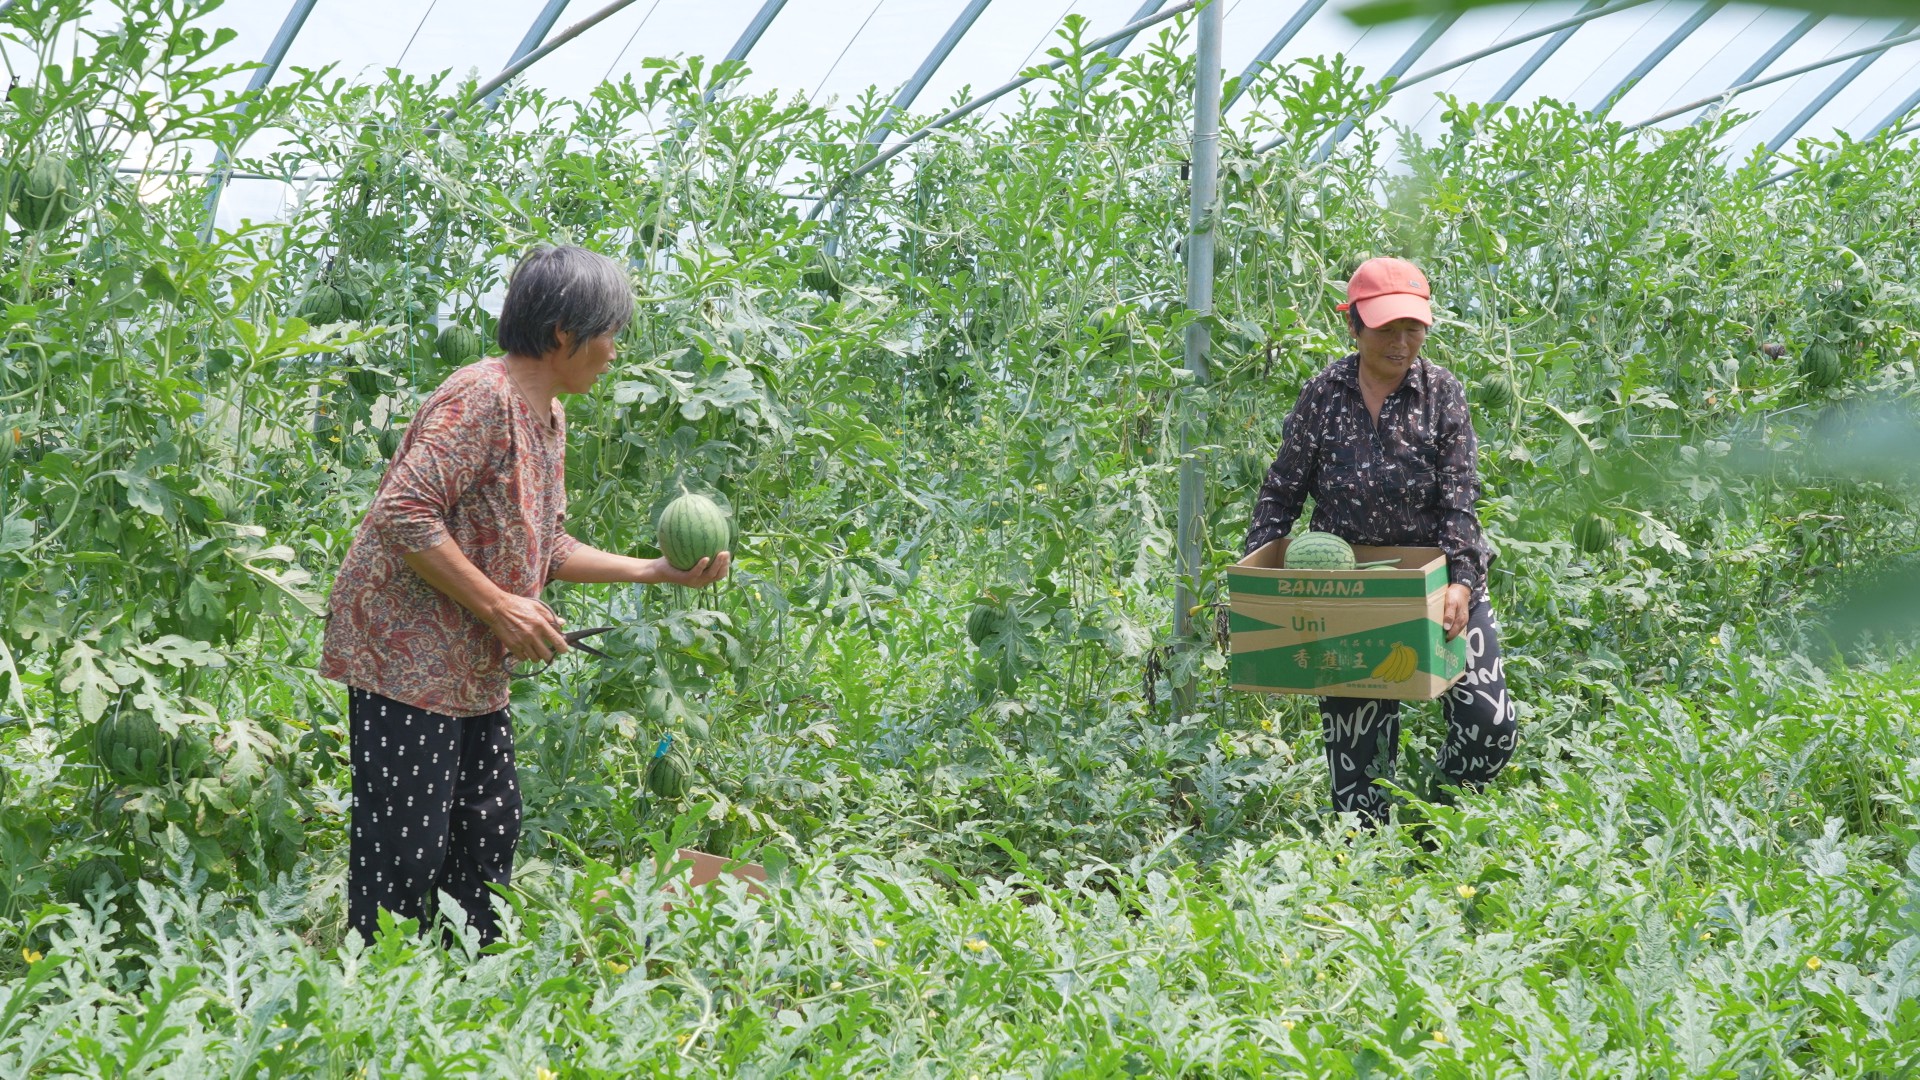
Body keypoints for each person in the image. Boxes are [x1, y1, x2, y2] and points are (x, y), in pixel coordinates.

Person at [318, 245, 730, 944]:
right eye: (609, 333)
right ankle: (373, 998)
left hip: (471, 668)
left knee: (487, 826)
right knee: (406, 849)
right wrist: (500, 605)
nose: (615, 350)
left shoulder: (548, 417)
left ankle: (465, 983)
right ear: (564, 334)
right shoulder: (483, 398)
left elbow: (548, 545)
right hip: (405, 661)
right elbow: (404, 510)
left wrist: (657, 571)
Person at [1243, 257, 1516, 823]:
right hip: (1348, 593)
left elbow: (1460, 496)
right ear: (1354, 326)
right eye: (1387, 328)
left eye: (1413, 327)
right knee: (1358, 772)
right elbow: (1282, 490)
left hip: (1443, 581)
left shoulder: (1442, 392)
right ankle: (1371, 866)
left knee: (1489, 728)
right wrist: (1258, 580)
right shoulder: (1323, 393)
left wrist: (1462, 581)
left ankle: (1433, 817)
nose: (1402, 341)